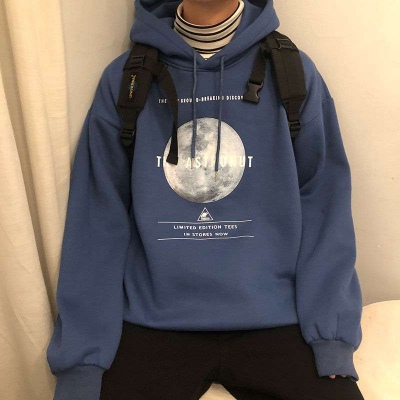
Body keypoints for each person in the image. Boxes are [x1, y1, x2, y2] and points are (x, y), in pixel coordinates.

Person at [46, 0, 365, 399]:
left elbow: (326, 208)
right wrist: (82, 361)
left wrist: (331, 337)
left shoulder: (292, 72)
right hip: (153, 324)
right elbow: (96, 222)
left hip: (279, 322)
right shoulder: (127, 80)